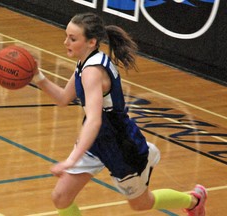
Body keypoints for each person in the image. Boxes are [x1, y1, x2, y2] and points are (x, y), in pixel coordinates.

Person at [32, 12, 207, 216]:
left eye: (72, 38)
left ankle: (194, 201)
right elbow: (63, 98)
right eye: (66, 36)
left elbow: (95, 121)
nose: (66, 42)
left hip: (121, 146)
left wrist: (71, 160)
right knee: (61, 197)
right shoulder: (84, 63)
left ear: (91, 42)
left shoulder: (92, 72)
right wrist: (37, 76)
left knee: (141, 203)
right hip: (96, 143)